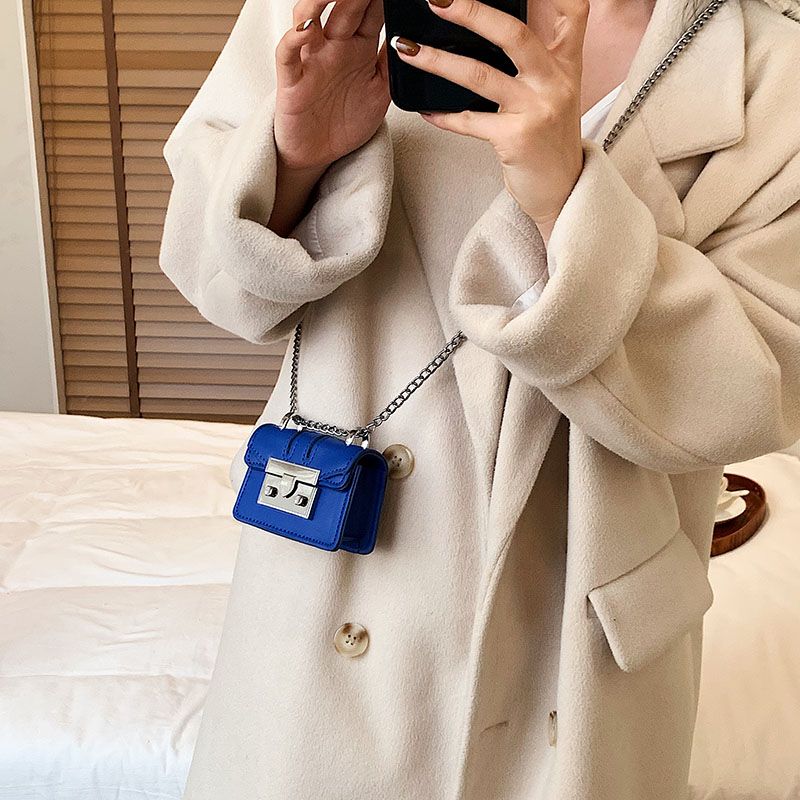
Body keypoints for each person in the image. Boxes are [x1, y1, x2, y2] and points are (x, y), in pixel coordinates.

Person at [158, 0, 800, 794]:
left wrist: (567, 201)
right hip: (329, 606)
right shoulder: (325, 9)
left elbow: (759, 385)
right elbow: (211, 275)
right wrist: (292, 160)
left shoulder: (772, 70)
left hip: (581, 646)